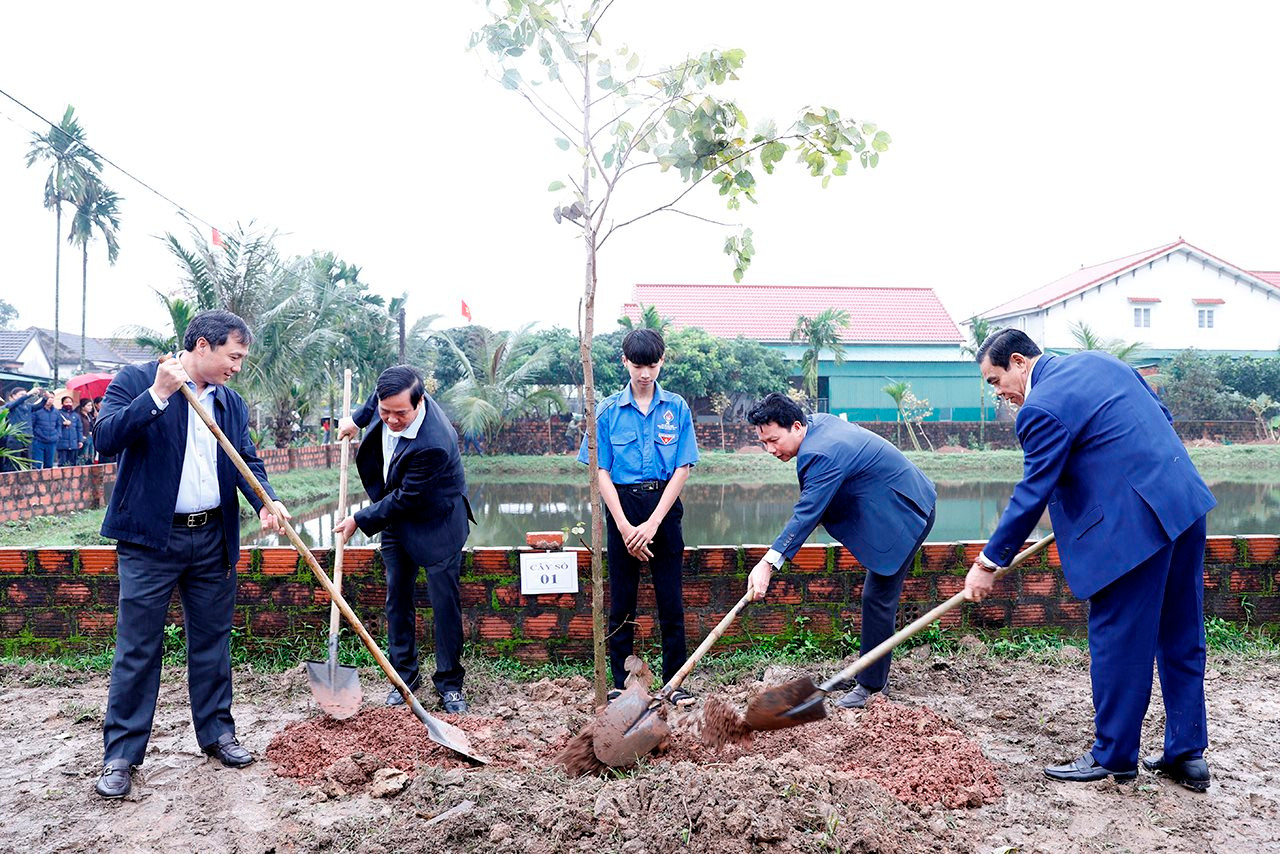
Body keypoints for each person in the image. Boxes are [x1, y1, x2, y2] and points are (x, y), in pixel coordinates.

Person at [964, 329, 1216, 791]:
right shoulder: (1102, 362)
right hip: (1182, 501)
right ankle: (1187, 754)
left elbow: (1033, 490)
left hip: (1135, 529)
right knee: (1181, 632)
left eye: (994, 379)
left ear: (1019, 362)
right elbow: (1157, 418)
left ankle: (1115, 755)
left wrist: (987, 562)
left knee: (1117, 640)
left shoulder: (1039, 407)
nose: (997, 392)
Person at [92, 309, 291, 800]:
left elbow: (247, 458)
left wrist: (266, 499)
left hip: (211, 538)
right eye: (234, 356)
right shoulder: (139, 379)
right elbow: (105, 438)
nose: (237, 367)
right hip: (149, 541)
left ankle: (218, 733)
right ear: (203, 346)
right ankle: (121, 755)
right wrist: (158, 394)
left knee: (212, 642)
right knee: (138, 647)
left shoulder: (230, 403)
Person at [744, 392, 937, 707]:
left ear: (796, 426)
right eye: (764, 443)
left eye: (774, 440)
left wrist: (768, 563)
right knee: (875, 597)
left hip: (907, 512)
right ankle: (867, 669)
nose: (770, 449)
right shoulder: (817, 427)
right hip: (894, 503)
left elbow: (807, 512)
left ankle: (871, 687)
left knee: (877, 597)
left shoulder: (823, 452)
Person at [335, 365, 475, 713]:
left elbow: (407, 498)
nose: (392, 420)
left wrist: (358, 519)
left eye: (401, 414)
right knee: (397, 598)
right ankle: (403, 677)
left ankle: (449, 683)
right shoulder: (391, 394)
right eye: (385, 412)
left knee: (444, 604)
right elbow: (381, 393)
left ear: (420, 402)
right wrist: (359, 417)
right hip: (395, 520)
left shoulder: (435, 443)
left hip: (436, 520)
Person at [577, 329, 699, 703]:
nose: (645, 373)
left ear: (661, 361)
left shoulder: (676, 408)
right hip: (622, 509)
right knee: (622, 601)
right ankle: (619, 685)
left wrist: (653, 524)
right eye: (638, 365)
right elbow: (599, 471)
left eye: (652, 364)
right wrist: (626, 525)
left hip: (663, 508)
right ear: (624, 362)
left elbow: (683, 468)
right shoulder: (608, 410)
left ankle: (674, 683)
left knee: (670, 601)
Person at [1, 386, 43, 471]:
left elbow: (39, 406)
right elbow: (17, 402)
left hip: (28, 436)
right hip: (15, 437)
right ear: (12, 396)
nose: (24, 396)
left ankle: (25, 482)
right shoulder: (9, 406)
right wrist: (29, 394)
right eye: (21, 394)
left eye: (25, 394)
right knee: (14, 463)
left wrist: (45, 397)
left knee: (26, 462)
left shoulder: (27, 406)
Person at [29, 390, 60, 469]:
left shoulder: (56, 412)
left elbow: (58, 425)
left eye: (52, 398)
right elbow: (32, 425)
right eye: (49, 397)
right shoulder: (36, 410)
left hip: (52, 441)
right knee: (37, 465)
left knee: (49, 465)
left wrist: (58, 435)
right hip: (38, 441)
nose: (50, 399)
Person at [55, 395, 84, 467]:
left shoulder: (76, 415)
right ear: (62, 403)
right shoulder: (58, 414)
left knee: (73, 463)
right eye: (66, 402)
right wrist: (62, 424)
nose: (68, 404)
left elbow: (79, 428)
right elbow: (54, 426)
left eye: (70, 402)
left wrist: (80, 440)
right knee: (62, 463)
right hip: (62, 443)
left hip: (74, 443)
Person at [77, 397, 96, 464]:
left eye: (91, 405)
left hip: (91, 437)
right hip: (84, 437)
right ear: (82, 407)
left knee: (91, 454)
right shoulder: (79, 416)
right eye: (88, 405)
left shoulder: (89, 415)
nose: (90, 407)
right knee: (84, 455)